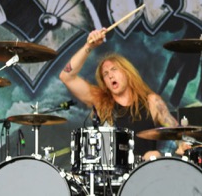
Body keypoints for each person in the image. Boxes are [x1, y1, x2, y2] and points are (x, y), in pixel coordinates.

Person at [59, 27, 186, 161]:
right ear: (105, 83)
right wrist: (89, 46)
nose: (110, 75)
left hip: (148, 169)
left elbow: (177, 133)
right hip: (114, 171)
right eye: (105, 74)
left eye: (114, 69)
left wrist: (172, 149)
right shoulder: (100, 101)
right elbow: (66, 77)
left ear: (127, 73)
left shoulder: (152, 101)